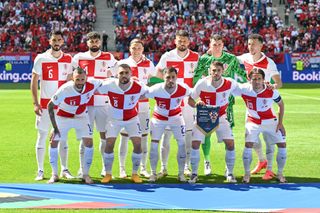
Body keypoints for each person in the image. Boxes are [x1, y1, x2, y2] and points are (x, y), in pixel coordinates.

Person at [193, 34, 247, 176]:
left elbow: (242, 75)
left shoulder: (231, 59)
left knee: (228, 136)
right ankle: (207, 162)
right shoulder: (204, 59)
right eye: (214, 44)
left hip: (225, 104)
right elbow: (196, 77)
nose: (216, 47)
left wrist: (254, 84)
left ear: (223, 45)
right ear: (209, 46)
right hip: (207, 102)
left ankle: (228, 169)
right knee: (206, 134)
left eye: (219, 44)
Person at [237, 33, 283, 179]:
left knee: (269, 139)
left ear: (261, 45)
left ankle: (269, 169)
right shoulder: (244, 58)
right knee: (251, 138)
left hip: (265, 104)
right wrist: (211, 52)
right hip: (251, 106)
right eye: (249, 44)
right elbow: (226, 57)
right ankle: (261, 160)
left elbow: (279, 83)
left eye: (254, 44)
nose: (251, 47)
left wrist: (272, 86)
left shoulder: (269, 62)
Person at [72, 31, 117, 178]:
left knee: (104, 136)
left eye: (97, 41)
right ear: (87, 43)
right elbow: (72, 78)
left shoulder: (108, 57)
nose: (94, 44)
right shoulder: (79, 57)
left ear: (100, 42)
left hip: (103, 103)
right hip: (86, 104)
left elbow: (116, 74)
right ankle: (82, 169)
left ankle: (105, 169)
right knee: (86, 136)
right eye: (92, 41)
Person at [31, 30, 74, 181]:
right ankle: (40, 170)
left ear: (63, 42)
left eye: (59, 40)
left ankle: (64, 169)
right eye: (54, 40)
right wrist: (35, 103)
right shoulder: (41, 58)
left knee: (62, 138)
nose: (57, 42)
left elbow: (70, 83)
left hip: (61, 106)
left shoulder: (68, 59)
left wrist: (69, 105)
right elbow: (34, 81)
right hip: (44, 105)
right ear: (50, 41)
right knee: (42, 135)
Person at [47, 67, 102, 184]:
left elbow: (107, 82)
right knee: (53, 141)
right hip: (63, 117)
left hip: (81, 117)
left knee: (89, 142)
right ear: (73, 78)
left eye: (82, 79)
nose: (80, 82)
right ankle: (54, 174)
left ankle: (86, 174)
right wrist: (55, 128)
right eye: (77, 79)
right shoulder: (65, 89)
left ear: (86, 78)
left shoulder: (92, 84)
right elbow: (50, 105)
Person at [155, 30, 199, 177]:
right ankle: (163, 168)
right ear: (175, 41)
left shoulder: (196, 57)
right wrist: (167, 87)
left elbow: (201, 75)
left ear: (189, 42)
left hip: (187, 101)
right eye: (180, 40)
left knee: (187, 134)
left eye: (185, 41)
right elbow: (158, 73)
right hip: (170, 100)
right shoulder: (167, 56)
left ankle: (186, 166)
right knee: (165, 135)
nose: (182, 43)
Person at [188, 61, 239, 183]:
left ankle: (230, 173)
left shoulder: (230, 83)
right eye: (213, 70)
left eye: (218, 70)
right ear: (209, 71)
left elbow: (245, 89)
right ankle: (194, 173)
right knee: (195, 144)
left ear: (223, 71)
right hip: (204, 117)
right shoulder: (202, 83)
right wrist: (196, 105)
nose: (216, 73)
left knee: (230, 144)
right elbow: (190, 100)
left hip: (221, 117)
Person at [99, 64, 147, 184]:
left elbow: (149, 93)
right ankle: (108, 173)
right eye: (121, 73)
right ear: (117, 74)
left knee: (137, 144)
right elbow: (95, 87)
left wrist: (136, 98)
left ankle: (135, 173)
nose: (124, 75)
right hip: (114, 120)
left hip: (132, 118)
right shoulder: (109, 84)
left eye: (126, 73)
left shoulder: (138, 86)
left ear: (131, 74)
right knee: (109, 144)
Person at [237, 68, 287, 183]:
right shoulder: (244, 89)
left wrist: (280, 123)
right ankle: (247, 174)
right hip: (253, 121)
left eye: (259, 79)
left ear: (264, 80)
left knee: (282, 145)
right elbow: (227, 88)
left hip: (270, 121)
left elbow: (281, 104)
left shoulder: (272, 91)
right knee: (248, 144)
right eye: (254, 79)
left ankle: (279, 174)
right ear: (250, 80)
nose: (257, 81)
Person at [118, 38, 156, 179]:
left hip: (144, 106)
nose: (136, 51)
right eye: (134, 48)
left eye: (139, 48)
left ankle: (143, 168)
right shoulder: (123, 64)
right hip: (127, 106)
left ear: (143, 49)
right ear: (129, 49)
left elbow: (154, 80)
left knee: (144, 137)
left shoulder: (149, 63)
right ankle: (122, 169)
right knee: (124, 137)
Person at [146, 67, 191, 182]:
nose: (170, 80)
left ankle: (181, 174)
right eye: (168, 77)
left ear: (176, 77)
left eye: (173, 77)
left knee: (181, 144)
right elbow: (141, 94)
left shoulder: (183, 88)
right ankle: (153, 173)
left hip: (176, 118)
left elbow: (194, 94)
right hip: (158, 119)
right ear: (163, 77)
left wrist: (198, 102)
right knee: (154, 144)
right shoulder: (155, 89)